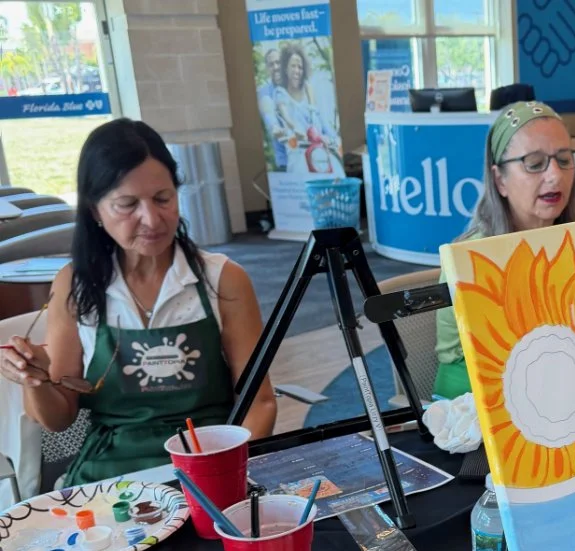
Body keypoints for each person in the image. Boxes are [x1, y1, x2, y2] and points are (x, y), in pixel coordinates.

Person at [0, 118, 276, 486]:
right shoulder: (76, 284)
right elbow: (58, 418)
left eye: (163, 198)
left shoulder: (223, 279)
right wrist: (33, 379)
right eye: (127, 205)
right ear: (95, 211)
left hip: (208, 459)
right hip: (112, 473)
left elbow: (261, 402)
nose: (151, 219)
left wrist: (230, 472)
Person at [433, 100, 575, 398]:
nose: (555, 175)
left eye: (564, 159)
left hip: (552, 392)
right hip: (473, 405)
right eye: (535, 163)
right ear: (500, 179)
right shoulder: (474, 257)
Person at [274, 44, 343, 176]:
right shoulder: (280, 93)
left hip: (318, 153)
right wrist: (296, 129)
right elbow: (287, 118)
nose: (297, 71)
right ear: (285, 69)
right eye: (293, 66)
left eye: (300, 67)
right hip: (298, 154)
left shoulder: (309, 92)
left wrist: (334, 139)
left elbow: (321, 125)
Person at [257, 47, 289, 171]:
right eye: (271, 64)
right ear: (267, 69)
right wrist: (274, 126)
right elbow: (267, 111)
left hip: (308, 155)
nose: (275, 67)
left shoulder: (295, 85)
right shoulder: (264, 92)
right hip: (285, 163)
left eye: (278, 62)